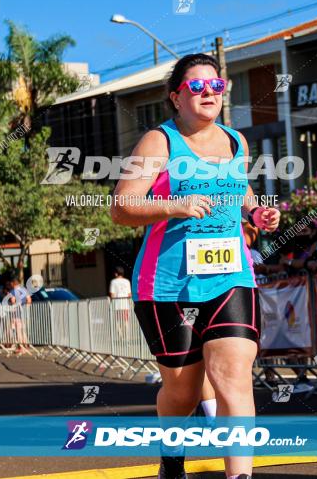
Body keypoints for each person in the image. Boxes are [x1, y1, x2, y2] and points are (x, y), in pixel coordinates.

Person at [111, 53, 281, 479]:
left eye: (217, 86)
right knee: (182, 391)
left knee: (234, 376)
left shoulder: (235, 142)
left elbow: (238, 192)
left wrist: (257, 213)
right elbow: (121, 208)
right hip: (168, 284)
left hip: (230, 276)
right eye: (197, 87)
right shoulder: (159, 142)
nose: (209, 93)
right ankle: (171, 459)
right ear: (176, 97)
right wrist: (174, 205)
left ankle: (240, 476)